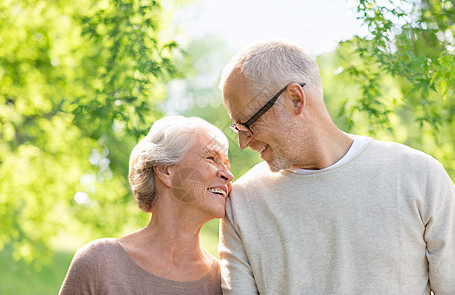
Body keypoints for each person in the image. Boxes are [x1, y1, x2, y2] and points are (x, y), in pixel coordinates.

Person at [218, 39, 455, 294]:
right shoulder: (241, 203)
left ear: (295, 99)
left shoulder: (419, 176)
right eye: (237, 128)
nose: (242, 142)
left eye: (248, 123)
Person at [59, 115, 233, 295]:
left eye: (227, 165)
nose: (228, 175)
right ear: (166, 171)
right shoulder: (99, 262)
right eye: (211, 158)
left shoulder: (225, 282)